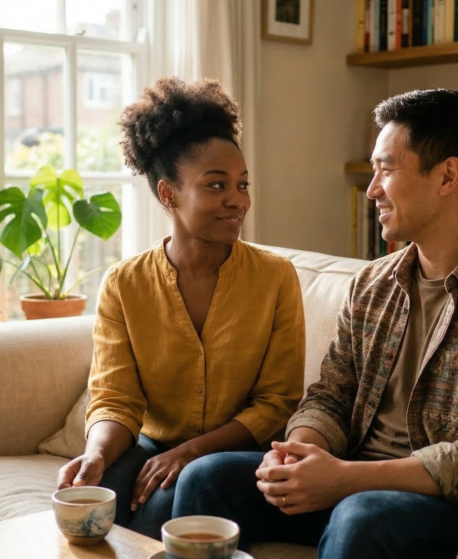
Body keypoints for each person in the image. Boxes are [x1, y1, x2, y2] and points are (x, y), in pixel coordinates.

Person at [173, 88, 458, 558]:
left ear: (447, 175)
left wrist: (343, 480)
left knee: (360, 516)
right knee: (206, 476)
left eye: (387, 169)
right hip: (344, 477)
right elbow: (331, 395)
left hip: (438, 505)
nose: (372, 189)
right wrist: (300, 453)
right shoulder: (373, 284)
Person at [56, 77, 306, 540]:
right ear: (169, 194)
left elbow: (277, 405)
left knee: (168, 502)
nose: (238, 200)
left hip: (234, 454)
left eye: (242, 184)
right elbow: (115, 397)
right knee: (99, 492)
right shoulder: (124, 284)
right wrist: (95, 453)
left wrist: (190, 452)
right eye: (216, 185)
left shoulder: (276, 278)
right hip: (151, 441)